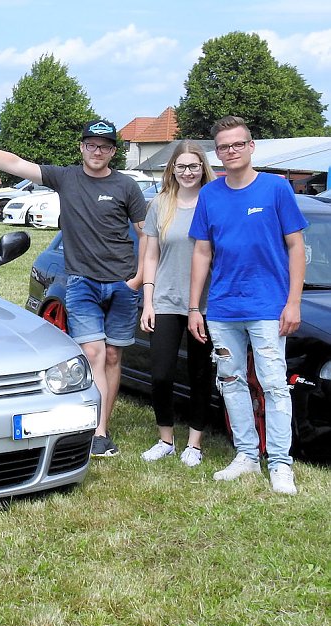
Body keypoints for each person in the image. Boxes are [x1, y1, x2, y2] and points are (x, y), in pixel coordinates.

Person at [0, 120, 147, 457]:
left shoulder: (126, 186)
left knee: (114, 355)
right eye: (91, 144)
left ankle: (104, 421)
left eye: (104, 146)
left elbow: (147, 234)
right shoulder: (66, 178)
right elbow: (16, 164)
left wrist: (138, 279)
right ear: (81, 147)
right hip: (82, 282)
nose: (97, 151)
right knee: (93, 354)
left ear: (113, 151)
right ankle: (99, 433)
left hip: (121, 283)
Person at [188, 115, 306, 495]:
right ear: (217, 153)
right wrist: (195, 307)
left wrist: (293, 302)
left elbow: (296, 247)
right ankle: (246, 456)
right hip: (223, 310)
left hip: (269, 308)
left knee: (273, 385)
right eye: (224, 147)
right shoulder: (210, 195)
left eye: (238, 144)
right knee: (231, 382)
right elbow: (202, 253)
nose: (231, 151)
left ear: (251, 146)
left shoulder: (276, 189)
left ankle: (280, 463)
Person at [139, 142, 216, 467]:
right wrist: (148, 300)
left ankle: (194, 444)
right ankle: (166, 439)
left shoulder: (214, 201)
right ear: (172, 169)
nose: (187, 172)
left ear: (203, 168)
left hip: (207, 305)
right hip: (166, 300)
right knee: (161, 374)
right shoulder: (160, 204)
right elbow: (151, 254)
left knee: (200, 375)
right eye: (181, 166)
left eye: (193, 166)